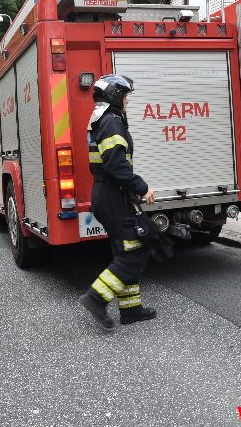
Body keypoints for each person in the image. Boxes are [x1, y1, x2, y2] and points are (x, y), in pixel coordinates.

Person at [79, 75, 157, 329]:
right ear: (114, 95)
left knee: (125, 249)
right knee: (135, 251)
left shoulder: (102, 120)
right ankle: (96, 297)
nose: (127, 102)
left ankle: (131, 309)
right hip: (113, 194)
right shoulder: (111, 122)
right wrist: (142, 187)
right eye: (125, 96)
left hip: (108, 194)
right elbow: (115, 163)